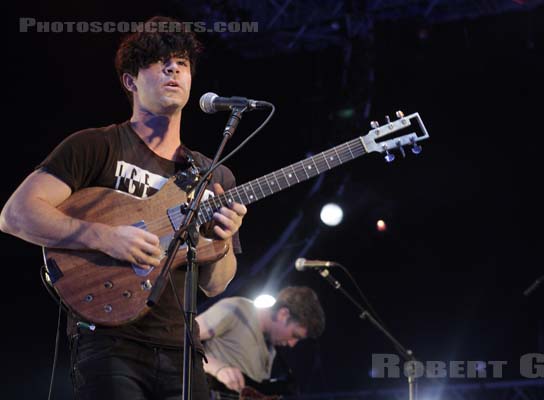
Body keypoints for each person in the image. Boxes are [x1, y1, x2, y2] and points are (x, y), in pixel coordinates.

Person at [0, 16, 247, 400]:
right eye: (158, 60)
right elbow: (16, 215)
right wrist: (106, 237)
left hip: (183, 348)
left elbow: (215, 285)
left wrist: (225, 239)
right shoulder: (94, 146)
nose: (173, 68)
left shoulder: (212, 174)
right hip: (108, 343)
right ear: (130, 82)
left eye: (182, 62)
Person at [196, 286, 326, 394]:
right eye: (295, 335)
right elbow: (181, 339)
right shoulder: (236, 309)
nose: (292, 344)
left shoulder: (270, 347)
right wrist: (218, 369)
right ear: (283, 315)